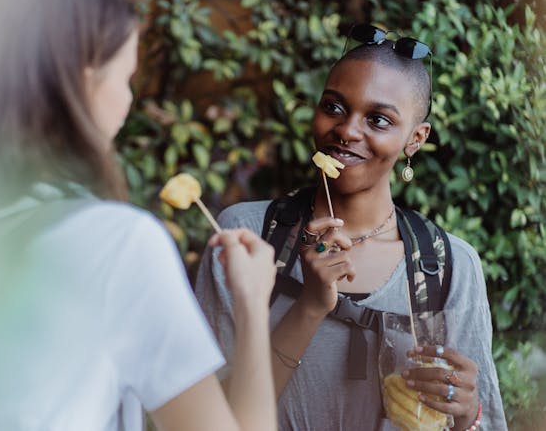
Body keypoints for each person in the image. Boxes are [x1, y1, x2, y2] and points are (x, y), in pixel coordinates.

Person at [0, 0, 279, 431]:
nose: (129, 101)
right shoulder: (117, 244)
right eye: (127, 78)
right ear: (84, 80)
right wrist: (252, 304)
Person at [195, 27, 507, 430]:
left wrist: (465, 416)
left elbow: (487, 425)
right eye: (334, 107)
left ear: (415, 138)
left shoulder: (449, 266)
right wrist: (308, 306)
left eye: (378, 119)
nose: (347, 130)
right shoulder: (247, 236)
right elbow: (206, 418)